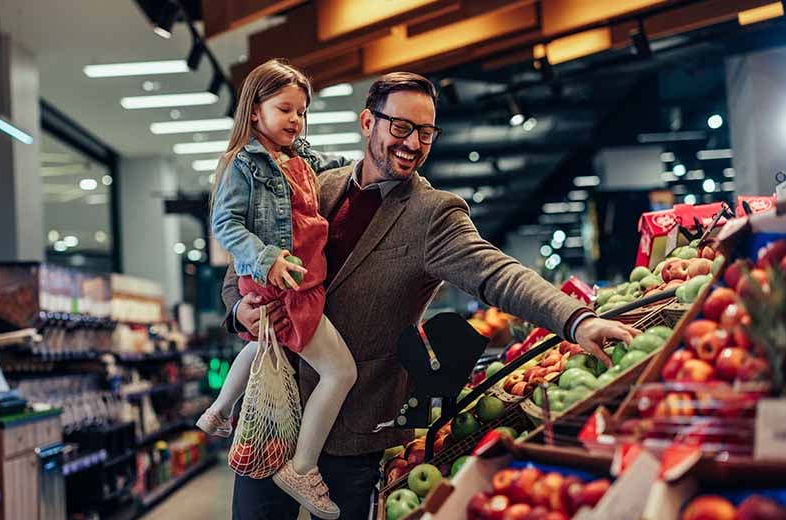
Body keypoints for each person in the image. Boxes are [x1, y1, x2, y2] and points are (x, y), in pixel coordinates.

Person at [222, 72, 640, 520]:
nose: (413, 144)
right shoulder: (311, 184)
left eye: (426, 132)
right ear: (368, 122)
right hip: (272, 410)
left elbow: (498, 273)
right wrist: (239, 310)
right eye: (401, 127)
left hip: (355, 427)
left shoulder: (433, 214)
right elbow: (242, 263)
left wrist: (577, 320)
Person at [196, 59, 355, 520]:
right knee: (340, 372)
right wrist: (268, 259)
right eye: (285, 109)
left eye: (301, 111)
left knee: (264, 342)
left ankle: (219, 409)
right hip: (285, 284)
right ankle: (302, 468)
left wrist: (367, 164)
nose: (295, 119)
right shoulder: (243, 163)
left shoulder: (298, 158)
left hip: (294, 283)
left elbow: (333, 166)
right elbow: (225, 224)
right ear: (254, 110)